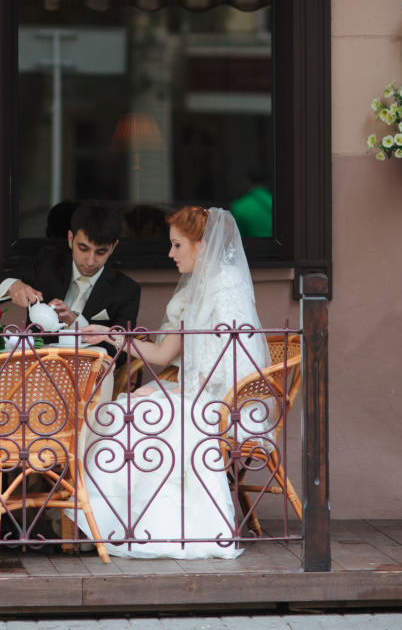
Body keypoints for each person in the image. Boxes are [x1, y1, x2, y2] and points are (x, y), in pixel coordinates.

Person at [72, 205, 271, 559]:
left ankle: (158, 529)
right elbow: (164, 356)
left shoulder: (225, 288)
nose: (170, 253)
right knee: (118, 412)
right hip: (192, 389)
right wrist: (110, 334)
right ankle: (113, 524)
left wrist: (191, 389)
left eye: (178, 245)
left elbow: (233, 356)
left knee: (150, 418)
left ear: (202, 247)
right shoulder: (191, 291)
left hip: (224, 400)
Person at [0, 201, 141, 350]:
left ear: (113, 247)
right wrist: (12, 287)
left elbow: (121, 354)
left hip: (94, 379)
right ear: (70, 239)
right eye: (83, 248)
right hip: (35, 373)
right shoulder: (47, 265)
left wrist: (76, 323)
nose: (90, 261)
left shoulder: (126, 290)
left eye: (101, 252)